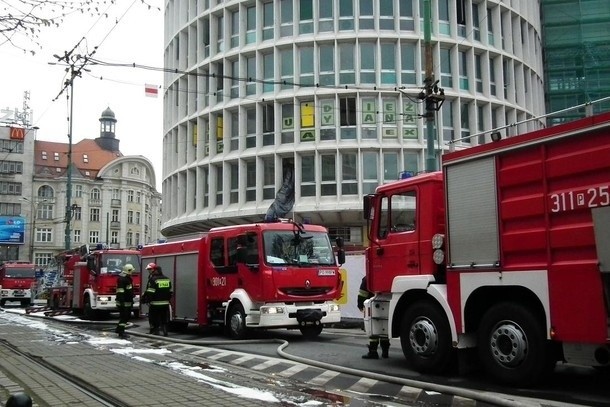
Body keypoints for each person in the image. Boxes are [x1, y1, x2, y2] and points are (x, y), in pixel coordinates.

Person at [358, 276, 390, 359]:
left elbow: (362, 294)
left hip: (373, 305)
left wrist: (360, 305)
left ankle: (373, 352)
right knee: (384, 328)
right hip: (387, 304)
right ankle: (385, 352)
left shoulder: (367, 278)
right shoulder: (388, 277)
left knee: (373, 328)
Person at [142, 262, 172, 336]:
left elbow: (150, 291)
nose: (149, 271)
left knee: (153, 318)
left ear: (155, 270)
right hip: (165, 303)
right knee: (164, 318)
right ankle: (165, 331)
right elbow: (170, 291)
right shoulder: (167, 279)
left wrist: (146, 299)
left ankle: (155, 331)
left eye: (150, 270)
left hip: (155, 303)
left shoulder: (153, 279)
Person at [115, 263, 135, 339]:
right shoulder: (123, 279)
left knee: (125, 317)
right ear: (128, 271)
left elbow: (128, 290)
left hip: (127, 301)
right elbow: (120, 292)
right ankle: (121, 332)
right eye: (131, 271)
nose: (132, 273)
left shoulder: (126, 278)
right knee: (124, 317)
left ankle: (119, 329)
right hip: (124, 302)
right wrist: (122, 302)